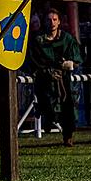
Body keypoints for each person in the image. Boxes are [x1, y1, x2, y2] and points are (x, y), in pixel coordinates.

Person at [30, 8, 83, 147]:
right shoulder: (38, 40)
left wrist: (67, 64)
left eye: (54, 19)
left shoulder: (67, 39)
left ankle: (68, 137)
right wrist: (47, 71)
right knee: (47, 105)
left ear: (59, 22)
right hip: (45, 80)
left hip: (63, 79)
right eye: (49, 20)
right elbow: (35, 60)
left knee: (68, 108)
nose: (52, 22)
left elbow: (76, 58)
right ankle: (48, 119)